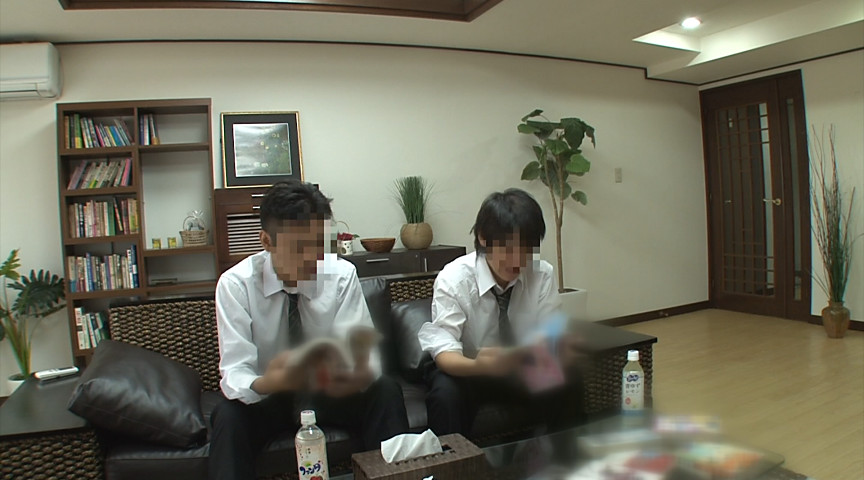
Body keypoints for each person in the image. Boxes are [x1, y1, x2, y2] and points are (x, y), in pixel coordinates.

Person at [210, 180, 409, 480]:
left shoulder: (340, 275)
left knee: (385, 391)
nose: (313, 258)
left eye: (319, 244)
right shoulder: (235, 285)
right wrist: (270, 381)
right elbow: (235, 371)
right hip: (269, 398)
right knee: (228, 416)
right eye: (299, 247)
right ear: (267, 241)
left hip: (329, 392)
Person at [417, 188, 583, 437]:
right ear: (484, 238)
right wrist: (480, 366)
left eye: (526, 249)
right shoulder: (454, 279)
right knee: (444, 392)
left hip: (520, 369)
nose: (517, 261)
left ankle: (564, 457)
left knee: (568, 377)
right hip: (469, 369)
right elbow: (445, 353)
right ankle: (451, 460)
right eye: (508, 249)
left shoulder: (541, 274)